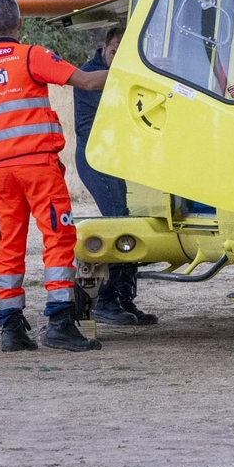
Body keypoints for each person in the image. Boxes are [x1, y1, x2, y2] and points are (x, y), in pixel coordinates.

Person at [0, 0, 110, 353]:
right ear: (20, 24)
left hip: (1, 171)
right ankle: (60, 323)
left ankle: (11, 328)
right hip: (38, 166)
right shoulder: (32, 56)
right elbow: (87, 82)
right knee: (57, 237)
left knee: (9, 245)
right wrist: (132, 71)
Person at [72, 23, 157, 327]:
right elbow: (108, 121)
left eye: (123, 53)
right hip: (97, 158)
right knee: (119, 222)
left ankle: (123, 298)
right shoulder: (89, 76)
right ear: (104, 48)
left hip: (118, 159)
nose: (116, 57)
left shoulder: (124, 72)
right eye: (113, 52)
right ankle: (106, 301)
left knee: (130, 222)